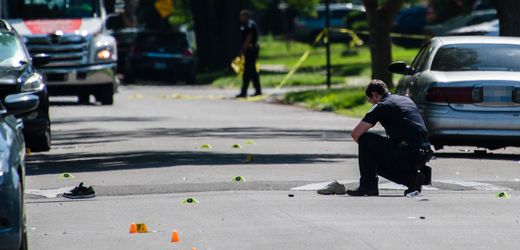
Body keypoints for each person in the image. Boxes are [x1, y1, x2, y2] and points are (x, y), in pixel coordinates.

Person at [318, 79, 432, 196]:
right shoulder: (405, 100)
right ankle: (412, 180)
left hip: (408, 153)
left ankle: (368, 186)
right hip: (423, 154)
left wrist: (366, 152)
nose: (370, 102)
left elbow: (356, 133)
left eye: (370, 99)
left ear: (374, 94)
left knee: (365, 139)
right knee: (372, 160)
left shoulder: (382, 105)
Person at [236, 10, 261, 98]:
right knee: (253, 71)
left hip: (251, 50)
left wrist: (243, 49)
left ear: (246, 16)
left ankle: (244, 92)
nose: (240, 18)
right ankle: (257, 90)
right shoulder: (247, 24)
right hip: (250, 50)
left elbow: (249, 37)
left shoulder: (249, 24)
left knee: (247, 72)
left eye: (242, 16)